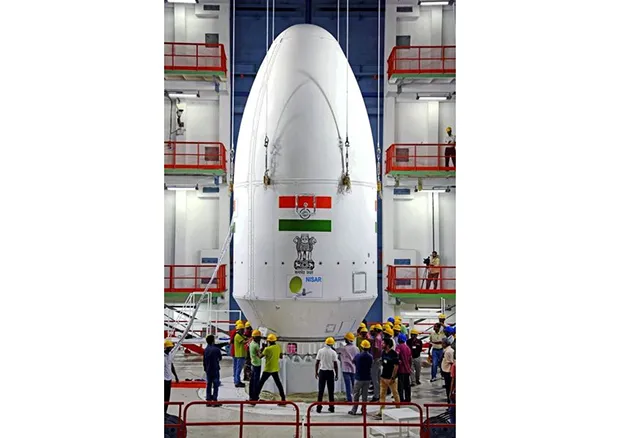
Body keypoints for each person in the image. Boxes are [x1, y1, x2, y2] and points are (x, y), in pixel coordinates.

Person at [375, 338, 400, 419]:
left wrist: (393, 377)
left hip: (391, 378)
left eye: (383, 343)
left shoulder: (394, 354)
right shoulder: (383, 352)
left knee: (395, 393)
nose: (381, 345)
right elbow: (383, 362)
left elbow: (396, 366)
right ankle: (381, 411)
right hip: (383, 377)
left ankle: (398, 409)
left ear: (388, 345)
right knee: (382, 395)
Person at [257, 334, 286, 405]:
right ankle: (283, 399)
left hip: (268, 369)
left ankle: (255, 398)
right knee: (279, 384)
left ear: (269, 341)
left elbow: (260, 356)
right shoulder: (278, 347)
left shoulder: (267, 349)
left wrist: (260, 350)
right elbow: (280, 356)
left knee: (260, 383)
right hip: (275, 368)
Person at [348, 339, 373, 416]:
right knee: (365, 395)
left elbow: (353, 362)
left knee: (356, 394)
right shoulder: (370, 357)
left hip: (359, 378)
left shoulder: (358, 356)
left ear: (361, 347)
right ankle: (364, 410)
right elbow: (371, 365)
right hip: (367, 378)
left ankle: (354, 410)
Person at [315, 337, 339, 413]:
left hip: (322, 372)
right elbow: (335, 364)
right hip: (330, 372)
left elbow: (317, 362)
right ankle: (331, 407)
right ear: (332, 344)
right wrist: (336, 374)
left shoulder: (320, 351)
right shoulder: (333, 352)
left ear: (326, 343)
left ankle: (319, 407)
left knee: (321, 391)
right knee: (331, 391)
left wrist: (316, 372)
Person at [338, 332, 360, 403]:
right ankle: (356, 399)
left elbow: (336, 350)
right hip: (354, 369)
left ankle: (350, 399)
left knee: (348, 385)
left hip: (346, 369)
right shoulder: (356, 348)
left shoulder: (343, 348)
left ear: (347, 340)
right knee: (354, 385)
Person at [203, 334, 223, 406]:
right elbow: (220, 358)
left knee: (208, 385)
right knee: (215, 385)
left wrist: (205, 368)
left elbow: (204, 361)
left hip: (208, 370)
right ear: (213, 341)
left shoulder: (205, 350)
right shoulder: (216, 349)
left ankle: (208, 400)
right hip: (215, 369)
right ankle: (214, 400)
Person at [164, 339, 180, 413]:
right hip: (164, 380)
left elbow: (171, 365)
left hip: (169, 379)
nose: (171, 348)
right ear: (166, 347)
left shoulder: (170, 354)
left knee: (167, 397)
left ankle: (165, 412)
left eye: (171, 347)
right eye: (169, 347)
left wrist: (175, 376)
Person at [395, 334, 412, 402]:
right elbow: (410, 359)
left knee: (400, 386)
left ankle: (401, 399)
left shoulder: (398, 347)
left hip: (401, 369)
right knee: (407, 385)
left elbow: (396, 355)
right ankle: (408, 398)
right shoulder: (408, 348)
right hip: (407, 369)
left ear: (399, 340)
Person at [248, 329, 263, 404]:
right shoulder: (256, 345)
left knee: (252, 380)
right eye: (259, 337)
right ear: (255, 337)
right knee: (256, 381)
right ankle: (255, 397)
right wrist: (265, 350)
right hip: (257, 364)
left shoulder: (251, 343)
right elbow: (260, 356)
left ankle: (251, 396)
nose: (260, 338)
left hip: (253, 363)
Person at [370, 324, 383, 401]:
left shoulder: (377, 339)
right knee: (378, 378)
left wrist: (374, 358)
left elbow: (377, 349)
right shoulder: (379, 337)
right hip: (379, 359)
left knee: (375, 379)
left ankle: (376, 395)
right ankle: (379, 394)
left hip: (376, 360)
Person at [233, 321, 248, 387]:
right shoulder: (237, 336)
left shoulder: (240, 335)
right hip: (240, 355)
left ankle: (237, 381)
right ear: (238, 330)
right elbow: (244, 342)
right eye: (242, 330)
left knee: (238, 369)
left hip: (240, 355)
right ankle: (237, 382)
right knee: (238, 369)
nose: (243, 331)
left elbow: (245, 338)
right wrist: (251, 339)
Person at [441, 337, 455, 402]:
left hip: (448, 371)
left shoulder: (448, 351)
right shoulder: (447, 350)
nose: (441, 344)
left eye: (442, 343)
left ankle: (449, 401)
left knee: (449, 387)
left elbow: (451, 362)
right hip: (447, 370)